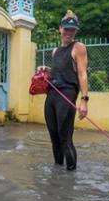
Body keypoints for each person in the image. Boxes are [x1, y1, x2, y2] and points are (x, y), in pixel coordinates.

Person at [36, 10, 89, 171]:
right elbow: (61, 71)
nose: (69, 33)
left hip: (66, 94)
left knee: (65, 138)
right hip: (52, 94)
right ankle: (58, 171)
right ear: (60, 29)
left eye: (72, 30)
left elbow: (82, 73)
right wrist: (47, 70)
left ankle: (71, 174)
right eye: (66, 29)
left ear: (75, 32)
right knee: (54, 136)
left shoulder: (78, 47)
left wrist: (84, 100)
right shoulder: (55, 51)